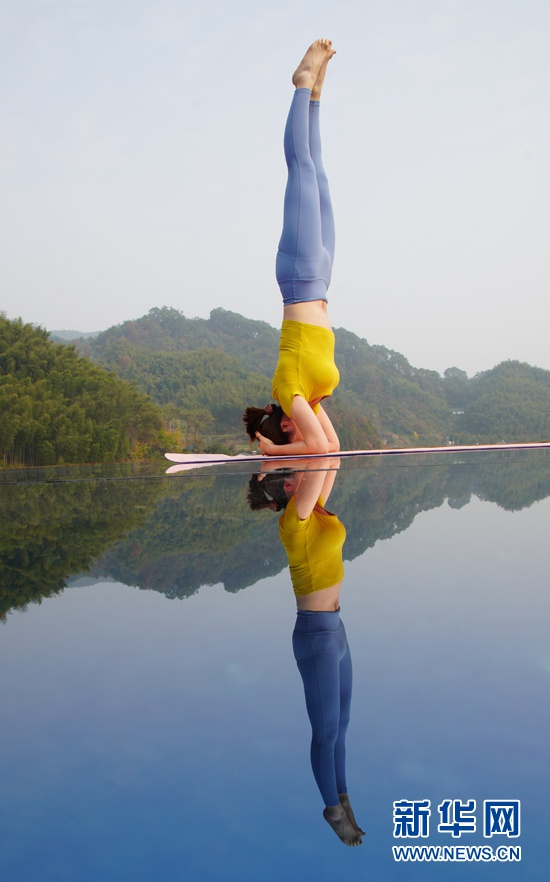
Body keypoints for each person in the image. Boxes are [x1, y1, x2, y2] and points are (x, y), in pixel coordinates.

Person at [248, 459, 364, 846]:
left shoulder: (312, 511)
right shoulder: (294, 522)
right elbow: (318, 457)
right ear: (287, 488)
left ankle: (343, 796)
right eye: (293, 472)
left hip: (336, 630)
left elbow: (330, 454)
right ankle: (332, 809)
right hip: (316, 637)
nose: (302, 473)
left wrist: (313, 407)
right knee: (326, 730)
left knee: (341, 725)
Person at [243, 40, 340, 457]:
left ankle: (301, 85)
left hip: (300, 278)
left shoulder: (287, 389)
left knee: (300, 168)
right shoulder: (312, 400)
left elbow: (317, 449)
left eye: (283, 427)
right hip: (320, 279)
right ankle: (315, 96)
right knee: (318, 177)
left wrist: (271, 452)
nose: (291, 426)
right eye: (289, 431)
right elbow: (331, 446)